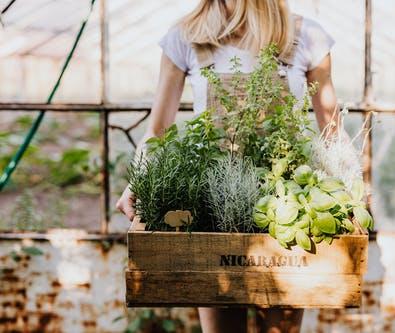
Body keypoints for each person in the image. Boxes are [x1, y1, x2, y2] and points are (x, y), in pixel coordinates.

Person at [116, 0, 338, 332]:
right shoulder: (187, 35)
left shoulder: (306, 36)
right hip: (215, 209)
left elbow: (332, 131)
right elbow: (156, 132)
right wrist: (140, 178)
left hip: (285, 208)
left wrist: (352, 181)